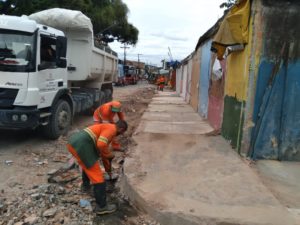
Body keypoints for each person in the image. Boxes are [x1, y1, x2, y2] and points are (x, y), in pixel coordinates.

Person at [67, 120, 128, 215]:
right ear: (121, 129)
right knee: (98, 177)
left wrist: (108, 170)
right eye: (121, 133)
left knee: (87, 165)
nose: (119, 135)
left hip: (74, 143)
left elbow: (104, 154)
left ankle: (86, 186)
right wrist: (109, 154)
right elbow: (101, 145)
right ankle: (102, 207)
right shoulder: (112, 129)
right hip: (82, 145)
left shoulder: (107, 127)